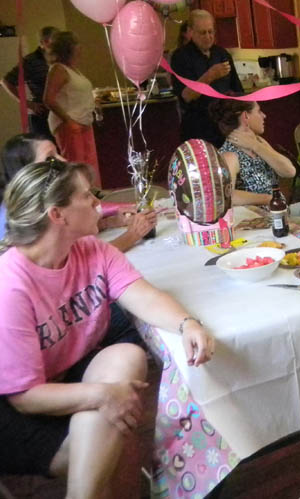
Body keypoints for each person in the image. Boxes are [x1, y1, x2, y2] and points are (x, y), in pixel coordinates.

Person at [0, 159, 215, 493]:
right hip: (20, 414)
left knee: (126, 360)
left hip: (67, 379)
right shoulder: (10, 286)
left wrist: (187, 324)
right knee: (115, 425)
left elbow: (145, 297)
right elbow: (25, 398)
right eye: (86, 196)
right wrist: (103, 394)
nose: (97, 204)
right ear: (57, 215)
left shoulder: (93, 251)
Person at [210, 100, 300, 236]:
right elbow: (228, 196)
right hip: (263, 220)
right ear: (246, 116)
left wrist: (256, 146)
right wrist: (268, 198)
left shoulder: (259, 142)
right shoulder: (229, 155)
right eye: (259, 111)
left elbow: (289, 171)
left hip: (281, 210)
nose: (264, 116)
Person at [0, 134, 156, 251]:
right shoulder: (24, 220)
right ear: (28, 173)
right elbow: (83, 259)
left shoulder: (44, 203)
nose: (63, 160)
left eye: (58, 153)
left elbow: (70, 235)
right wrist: (133, 235)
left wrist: (110, 222)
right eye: (50, 159)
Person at [170, 10, 244, 147]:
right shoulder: (180, 57)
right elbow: (186, 95)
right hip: (198, 128)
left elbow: (238, 90)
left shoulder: (222, 54)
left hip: (225, 127)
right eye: (202, 33)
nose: (208, 37)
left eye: (211, 32)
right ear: (191, 32)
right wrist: (210, 76)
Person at [42, 31, 101, 186]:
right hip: (70, 124)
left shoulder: (74, 69)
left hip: (84, 121)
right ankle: (77, 195)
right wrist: (68, 121)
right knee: (76, 166)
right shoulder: (58, 69)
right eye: (77, 44)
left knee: (89, 165)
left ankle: (92, 193)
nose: (80, 47)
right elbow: (48, 99)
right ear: (69, 48)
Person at [2, 25, 56, 138]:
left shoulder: (58, 59)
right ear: (44, 42)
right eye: (55, 40)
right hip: (42, 116)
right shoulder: (31, 60)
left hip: (58, 114)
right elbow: (6, 81)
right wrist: (28, 104)